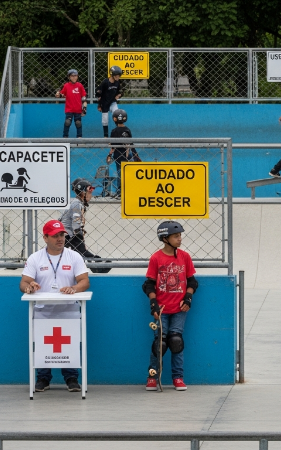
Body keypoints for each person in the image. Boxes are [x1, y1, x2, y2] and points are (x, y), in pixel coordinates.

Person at [20, 219, 90, 393]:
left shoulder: (74, 256)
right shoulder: (35, 258)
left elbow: (84, 281)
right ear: (45, 238)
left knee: (70, 344)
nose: (60, 239)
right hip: (43, 311)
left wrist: (74, 288)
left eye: (61, 235)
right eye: (55, 236)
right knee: (44, 345)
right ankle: (43, 379)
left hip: (69, 310)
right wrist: (29, 287)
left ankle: (71, 378)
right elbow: (23, 282)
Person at [143, 221, 198, 391]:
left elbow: (192, 281)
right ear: (165, 238)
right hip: (162, 309)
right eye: (176, 236)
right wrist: (154, 305)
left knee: (176, 342)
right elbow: (149, 285)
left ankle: (178, 377)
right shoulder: (156, 258)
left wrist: (188, 298)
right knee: (160, 342)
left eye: (180, 235)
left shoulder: (184, 257)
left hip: (179, 309)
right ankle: (152, 376)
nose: (180, 239)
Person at [59, 178, 110, 274]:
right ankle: (97, 266)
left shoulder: (77, 203)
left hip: (67, 233)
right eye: (89, 193)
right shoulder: (76, 203)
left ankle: (88, 267)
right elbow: (76, 222)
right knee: (82, 251)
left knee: (78, 253)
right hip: (69, 234)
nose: (91, 195)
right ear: (83, 193)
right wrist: (79, 236)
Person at [106, 109, 139, 197]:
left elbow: (112, 146)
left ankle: (120, 191)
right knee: (129, 172)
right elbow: (130, 144)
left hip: (118, 155)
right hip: (127, 154)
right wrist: (133, 155)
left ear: (114, 119)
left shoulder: (114, 131)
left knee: (120, 173)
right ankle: (130, 190)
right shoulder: (127, 130)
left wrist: (109, 155)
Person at [55, 69, 87, 138]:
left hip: (78, 109)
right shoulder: (66, 85)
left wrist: (84, 108)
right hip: (69, 109)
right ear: (69, 77)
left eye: (75, 76)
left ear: (77, 76)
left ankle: (79, 138)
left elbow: (84, 98)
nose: (74, 77)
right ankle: (65, 137)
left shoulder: (79, 85)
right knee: (67, 122)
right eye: (72, 76)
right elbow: (62, 94)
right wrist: (58, 95)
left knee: (78, 123)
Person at [96, 65, 123, 137]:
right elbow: (99, 94)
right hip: (105, 103)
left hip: (113, 102)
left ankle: (119, 133)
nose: (118, 77)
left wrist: (118, 95)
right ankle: (106, 136)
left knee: (117, 114)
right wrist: (99, 105)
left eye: (119, 76)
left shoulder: (117, 83)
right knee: (105, 120)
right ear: (112, 75)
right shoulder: (105, 82)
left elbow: (119, 92)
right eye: (117, 76)